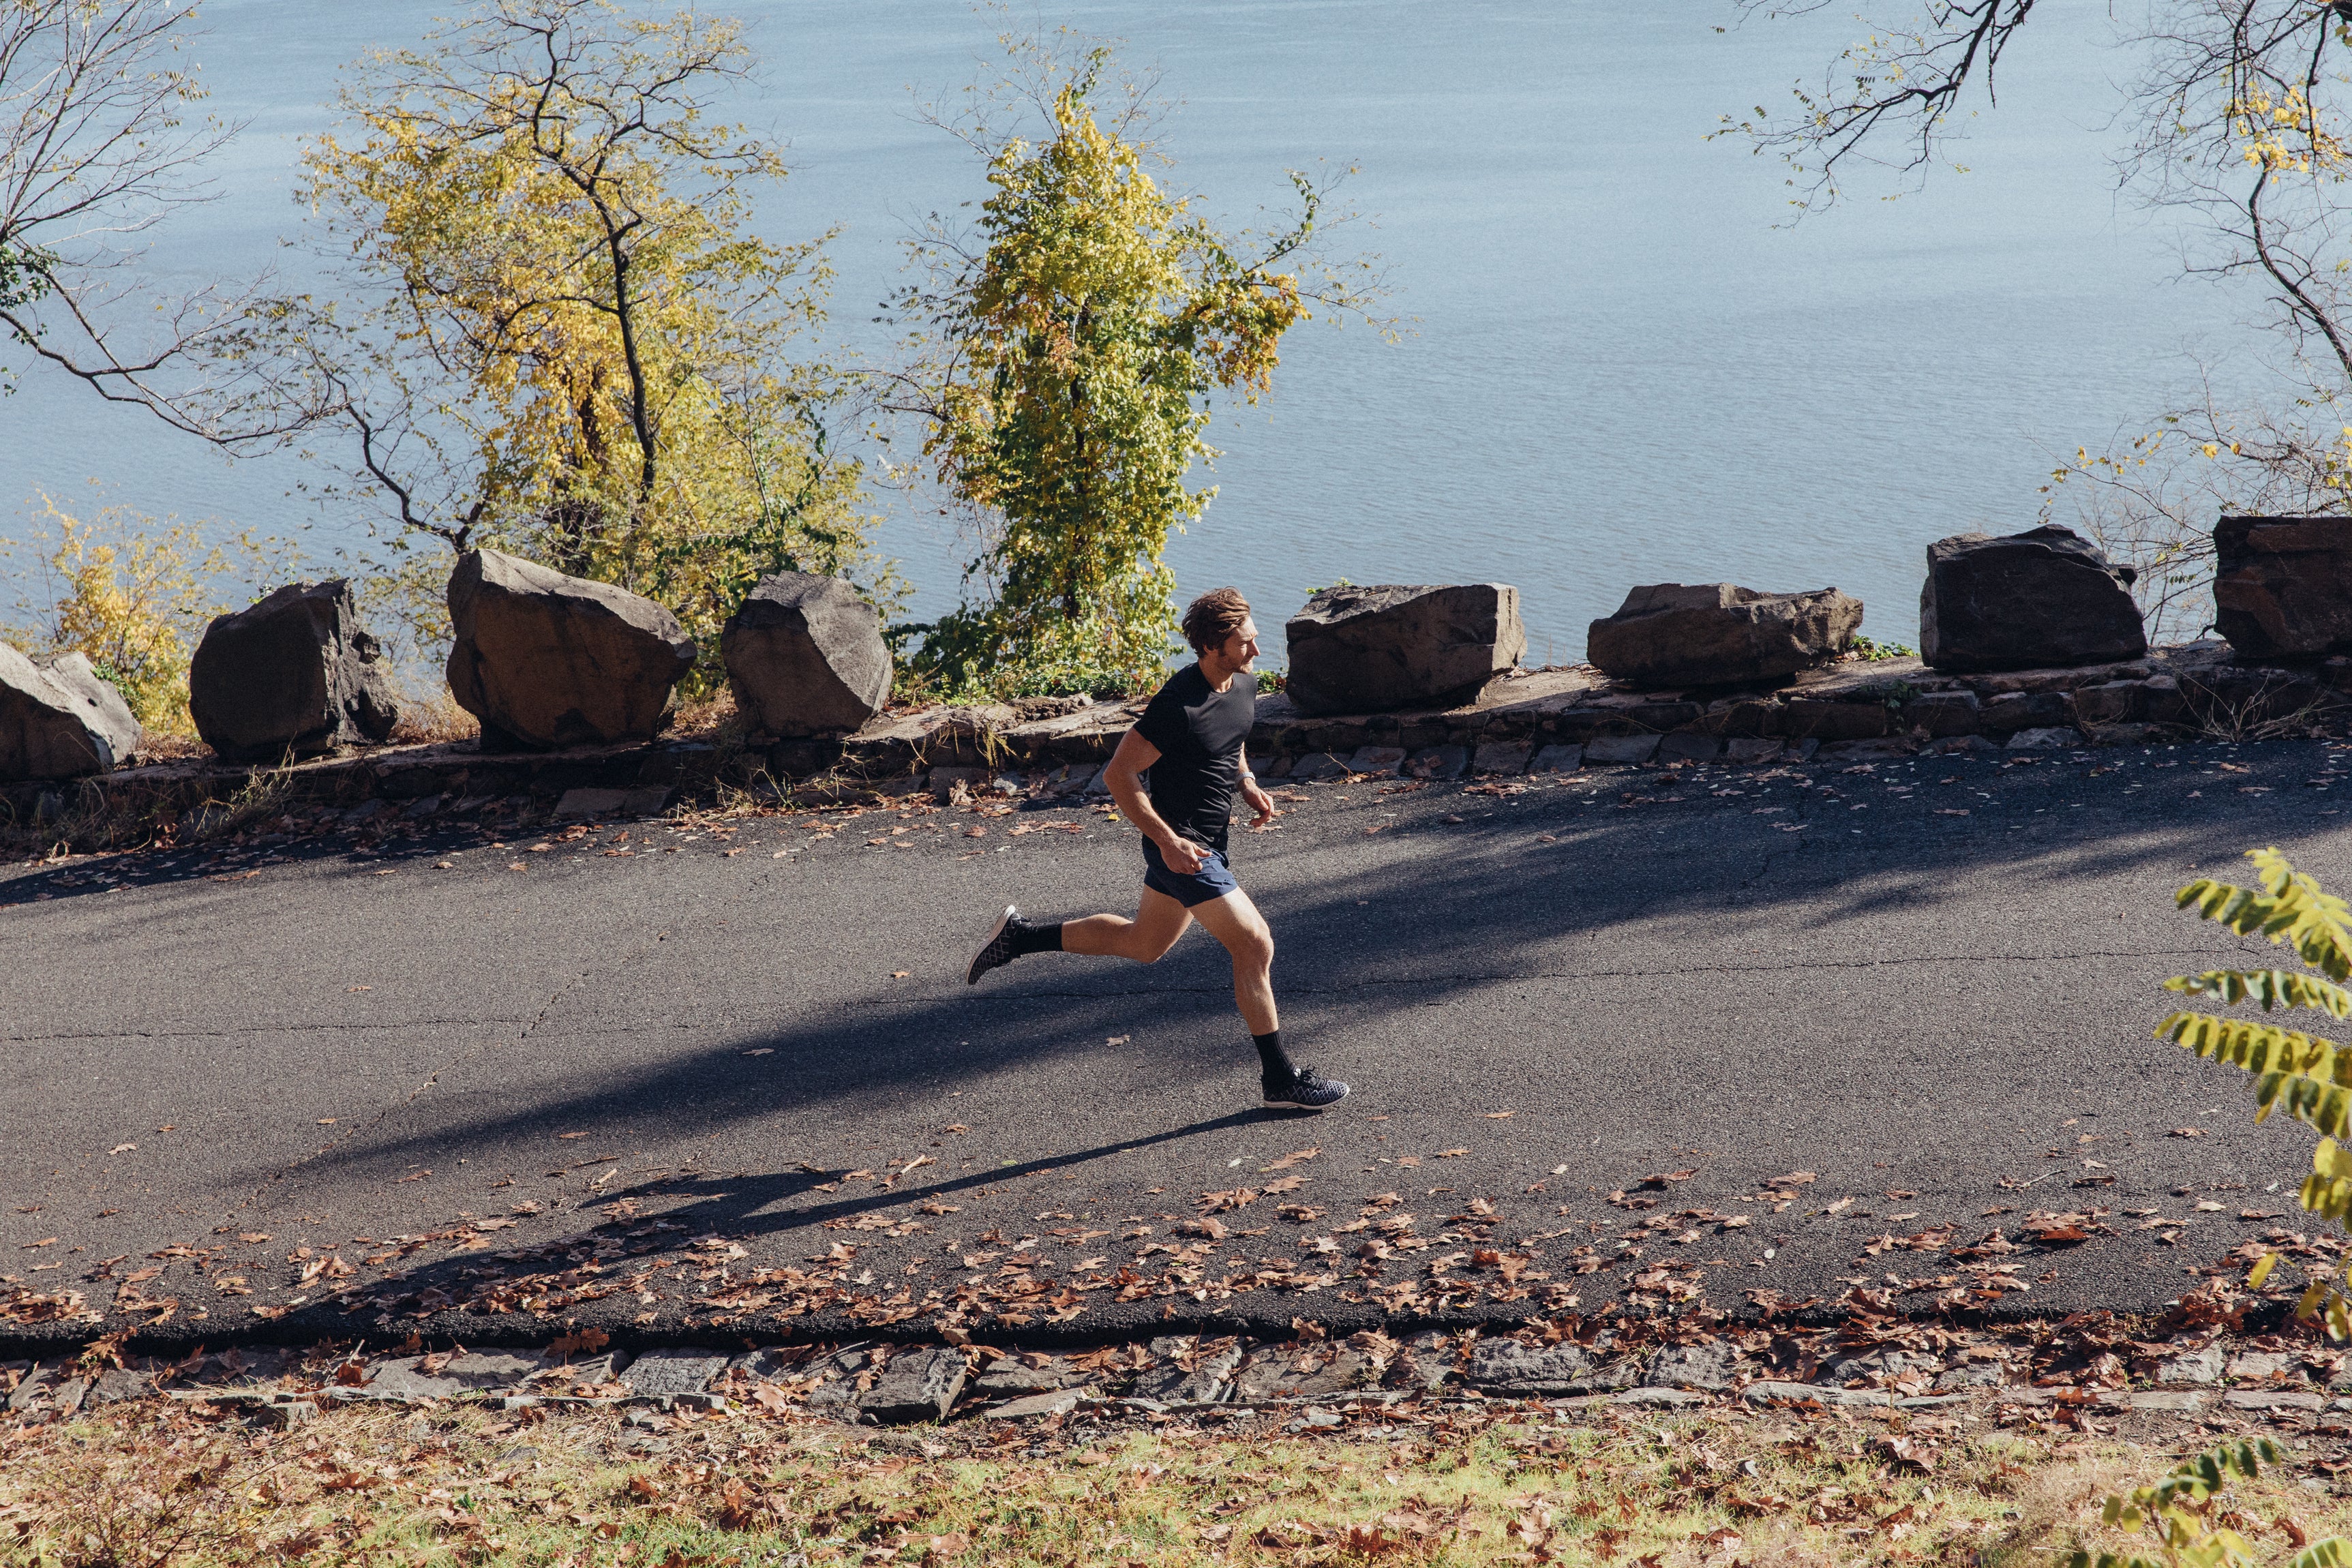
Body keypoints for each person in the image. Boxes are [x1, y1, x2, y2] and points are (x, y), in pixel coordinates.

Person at [965, 587, 1349, 1111]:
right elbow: (1119, 774)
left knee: (1144, 944)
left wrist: (1247, 781)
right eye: (1245, 644)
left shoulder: (1243, 685)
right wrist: (1167, 841)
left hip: (1207, 841)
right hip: (1183, 847)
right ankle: (1281, 1080)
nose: (1256, 653)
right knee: (1255, 945)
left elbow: (1231, 739)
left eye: (1254, 641)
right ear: (1214, 646)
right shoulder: (1178, 704)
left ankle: (1020, 938)